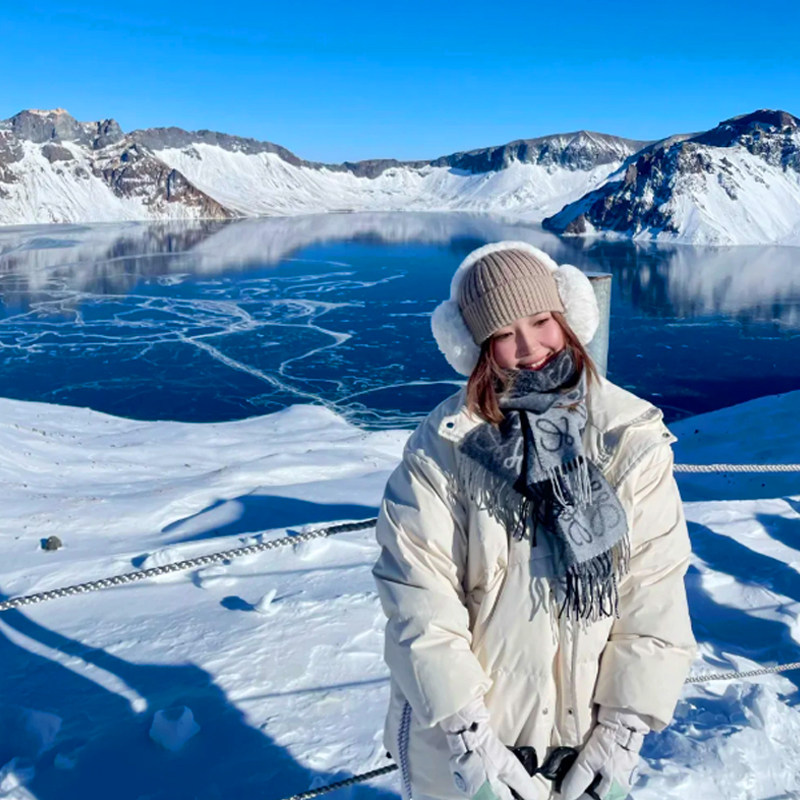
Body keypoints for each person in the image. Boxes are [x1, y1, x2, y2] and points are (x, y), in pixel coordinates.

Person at [372, 242, 696, 800]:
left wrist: (620, 732)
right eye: (503, 333)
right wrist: (471, 737)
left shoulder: (628, 440)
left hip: (585, 741)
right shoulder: (443, 448)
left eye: (542, 319)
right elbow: (419, 597)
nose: (530, 347)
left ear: (568, 315)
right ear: (475, 346)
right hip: (461, 749)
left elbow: (654, 592)